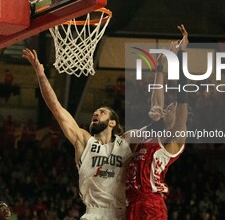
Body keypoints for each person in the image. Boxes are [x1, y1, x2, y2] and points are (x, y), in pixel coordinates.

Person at [23, 48, 144, 220]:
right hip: (93, 213)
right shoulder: (85, 141)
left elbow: (158, 126)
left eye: (102, 112)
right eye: (95, 112)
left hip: (121, 213)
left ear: (112, 122)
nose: (96, 113)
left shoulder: (126, 142)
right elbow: (57, 108)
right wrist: (41, 74)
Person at [126, 25, 189, 220]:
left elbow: (182, 94)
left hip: (151, 204)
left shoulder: (175, 138)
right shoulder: (154, 130)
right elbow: (157, 98)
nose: (167, 108)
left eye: (171, 108)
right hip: (132, 201)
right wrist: (160, 66)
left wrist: (181, 55)